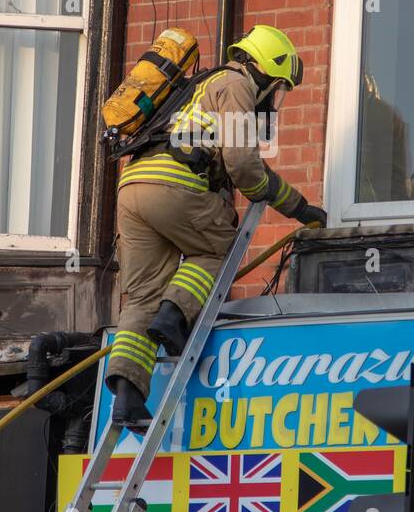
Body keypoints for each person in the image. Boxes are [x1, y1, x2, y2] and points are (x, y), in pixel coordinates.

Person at [106, 24, 327, 432]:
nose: (273, 100)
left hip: (132, 188)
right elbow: (244, 166)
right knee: (217, 250)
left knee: (139, 297)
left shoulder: (196, 86)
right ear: (264, 69)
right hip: (176, 186)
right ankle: (173, 318)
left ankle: (128, 400)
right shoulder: (235, 83)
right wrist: (298, 207)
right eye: (278, 88)